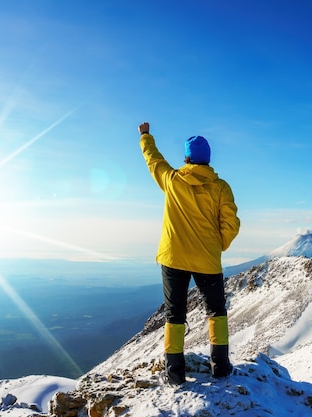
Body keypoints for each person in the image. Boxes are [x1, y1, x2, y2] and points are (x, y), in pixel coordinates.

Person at [138, 121, 240, 384]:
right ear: (208, 159)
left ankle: (175, 375)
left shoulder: (172, 181)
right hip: (207, 259)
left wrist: (146, 136)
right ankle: (220, 367)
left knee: (175, 314)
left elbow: (154, 160)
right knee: (216, 311)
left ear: (186, 157)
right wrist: (218, 245)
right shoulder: (221, 187)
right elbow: (231, 223)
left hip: (173, 257)